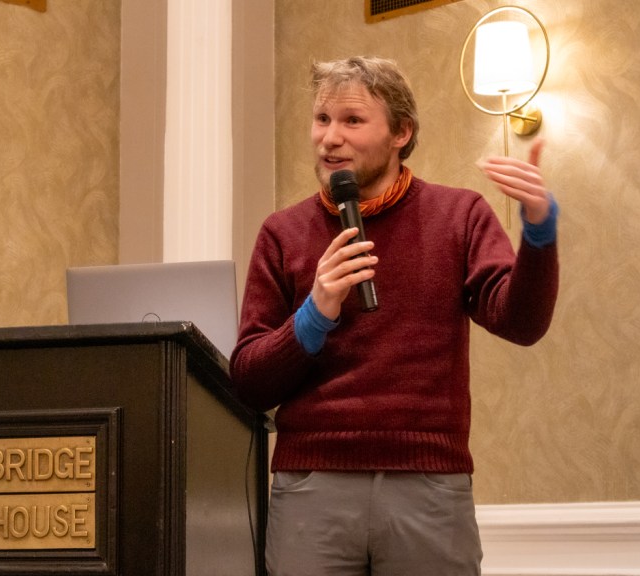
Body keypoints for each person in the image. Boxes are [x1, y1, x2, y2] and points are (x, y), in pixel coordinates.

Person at [230, 56, 559, 575]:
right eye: (322, 119)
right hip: (312, 485)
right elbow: (249, 379)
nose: (329, 139)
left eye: (352, 121)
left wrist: (538, 232)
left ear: (401, 132)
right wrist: (314, 313)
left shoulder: (460, 215)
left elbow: (521, 323)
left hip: (427, 486)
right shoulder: (282, 233)